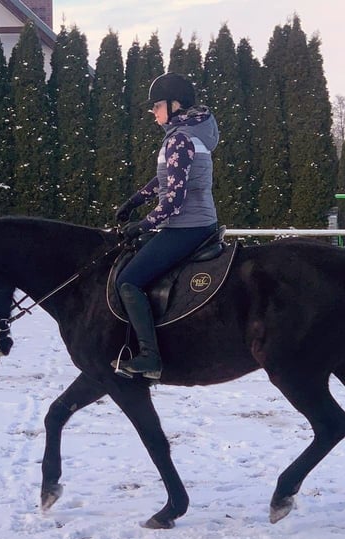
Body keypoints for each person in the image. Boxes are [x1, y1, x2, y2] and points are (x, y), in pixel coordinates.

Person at [112, 72, 220, 379]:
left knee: (129, 280)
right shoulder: (191, 133)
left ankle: (150, 356)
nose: (153, 111)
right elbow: (166, 179)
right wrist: (134, 201)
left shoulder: (179, 139)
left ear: (176, 105)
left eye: (157, 105)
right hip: (199, 223)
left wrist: (142, 225)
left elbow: (173, 201)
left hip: (187, 227)